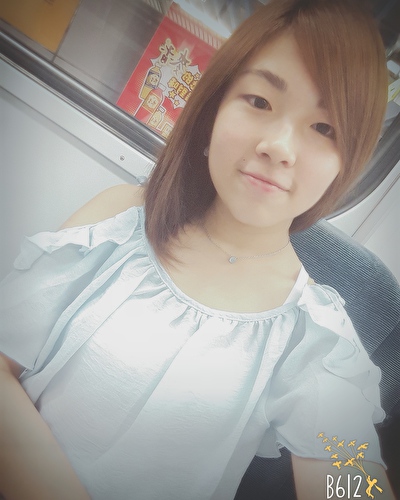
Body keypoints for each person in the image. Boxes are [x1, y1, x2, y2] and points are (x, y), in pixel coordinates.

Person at [0, 0, 396, 499]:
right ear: (214, 107)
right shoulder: (116, 221)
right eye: (259, 101)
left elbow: (351, 477)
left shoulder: (314, 337)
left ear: (345, 164)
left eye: (324, 128)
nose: (279, 146)